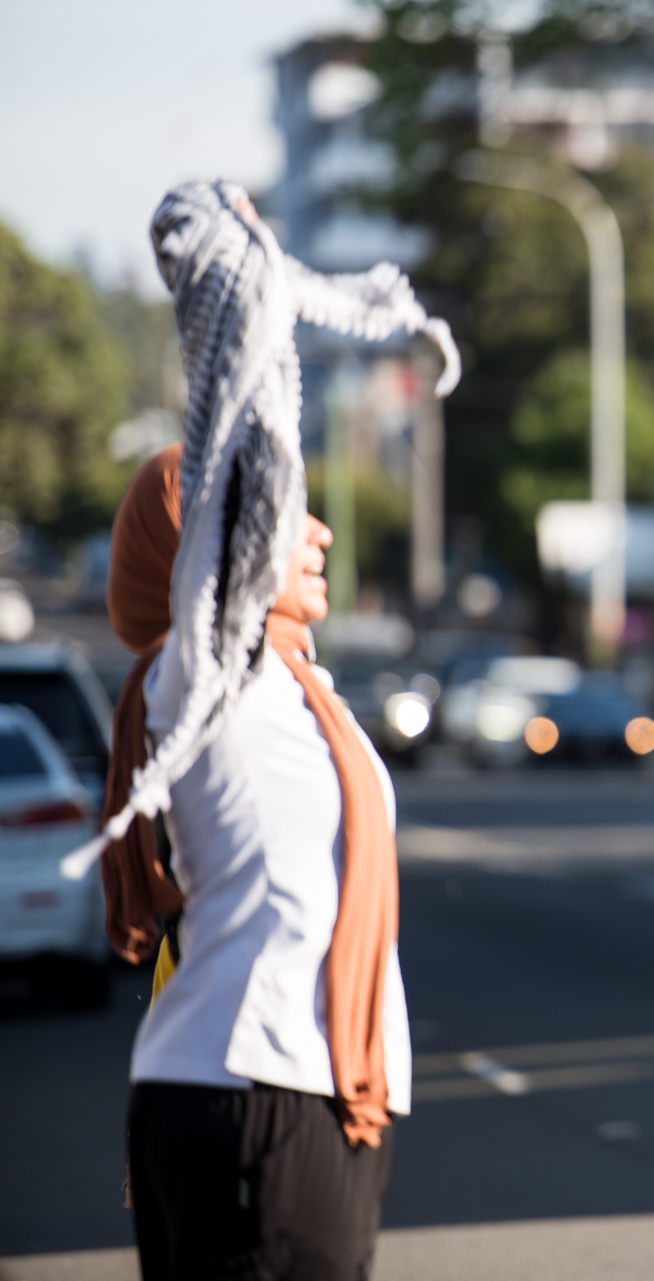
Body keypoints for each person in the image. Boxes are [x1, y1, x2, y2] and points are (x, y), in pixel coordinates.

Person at [79, 180, 457, 1281]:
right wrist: (232, 300)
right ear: (211, 542)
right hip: (249, 1096)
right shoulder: (205, 677)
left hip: (312, 1100)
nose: (322, 526)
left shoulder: (298, 687)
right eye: (287, 513)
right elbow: (228, 499)